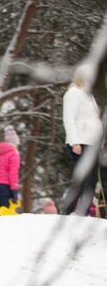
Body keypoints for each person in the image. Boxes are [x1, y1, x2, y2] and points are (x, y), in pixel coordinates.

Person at [62, 64, 103, 214]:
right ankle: (68, 211)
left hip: (92, 144)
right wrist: (75, 142)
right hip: (80, 143)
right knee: (83, 179)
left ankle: (84, 212)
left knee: (92, 181)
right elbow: (69, 119)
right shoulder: (73, 93)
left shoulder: (89, 96)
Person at [0, 125, 21, 215]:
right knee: (6, 217)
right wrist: (14, 191)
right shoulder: (14, 154)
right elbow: (13, 173)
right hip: (6, 188)